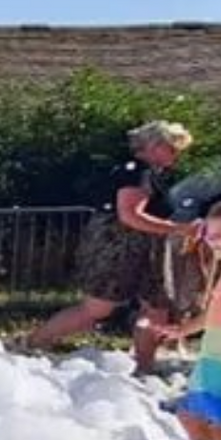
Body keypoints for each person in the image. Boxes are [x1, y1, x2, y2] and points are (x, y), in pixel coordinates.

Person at [25, 120, 199, 373]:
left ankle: (145, 367)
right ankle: (34, 343)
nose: (176, 154)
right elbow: (130, 215)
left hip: (144, 246)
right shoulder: (137, 173)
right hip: (122, 244)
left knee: (156, 307)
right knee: (99, 306)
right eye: (172, 148)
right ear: (155, 146)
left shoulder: (145, 173)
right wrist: (177, 229)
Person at [172, 199, 221, 440]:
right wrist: (183, 330)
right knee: (190, 416)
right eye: (209, 234)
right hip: (212, 357)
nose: (212, 240)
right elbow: (213, 314)